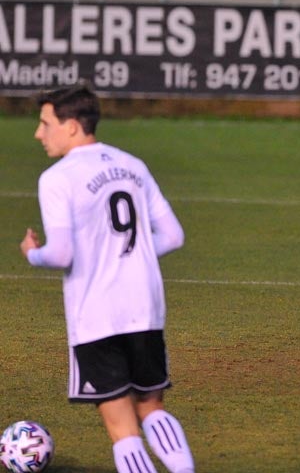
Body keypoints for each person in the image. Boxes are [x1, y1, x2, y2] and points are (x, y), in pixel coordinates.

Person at [20, 83, 196, 473]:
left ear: (70, 126)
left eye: (44, 123)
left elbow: (61, 253)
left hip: (97, 314)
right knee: (151, 407)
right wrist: (129, 256)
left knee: (123, 429)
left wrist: (33, 254)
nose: (38, 133)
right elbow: (173, 236)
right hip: (145, 307)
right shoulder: (133, 164)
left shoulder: (57, 177)